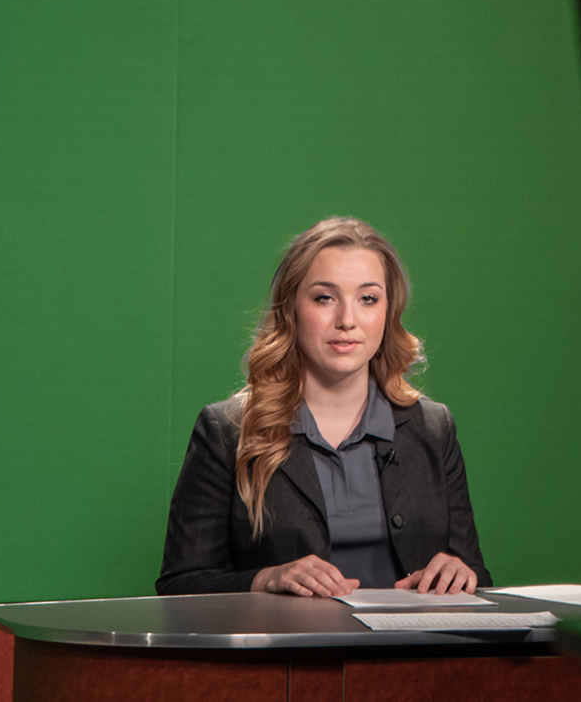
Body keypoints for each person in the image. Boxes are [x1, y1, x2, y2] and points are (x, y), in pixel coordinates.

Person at [156, 217, 489, 597]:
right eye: (324, 298)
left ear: (388, 311)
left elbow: (476, 575)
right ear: (291, 309)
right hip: (292, 654)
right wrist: (265, 579)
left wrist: (460, 572)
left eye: (368, 299)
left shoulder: (434, 426)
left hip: (410, 653)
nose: (347, 320)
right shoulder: (226, 430)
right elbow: (179, 587)